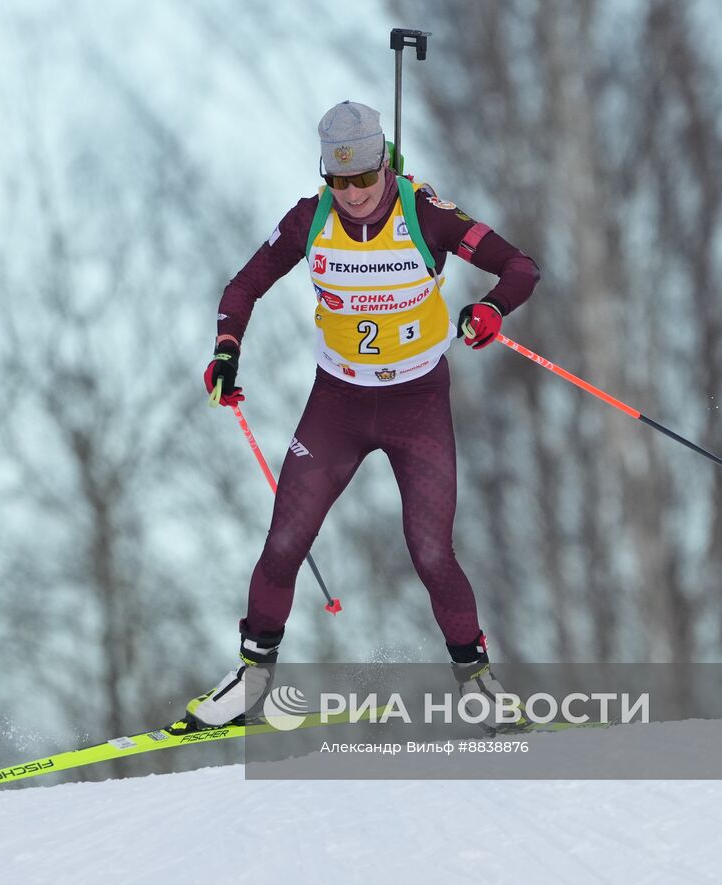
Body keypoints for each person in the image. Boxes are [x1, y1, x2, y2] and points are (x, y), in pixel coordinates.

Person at [180, 100, 540, 731]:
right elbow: (242, 289)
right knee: (284, 541)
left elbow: (520, 267)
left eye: (363, 179)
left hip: (417, 404)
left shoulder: (425, 214)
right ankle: (252, 680)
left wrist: (490, 310)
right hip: (337, 405)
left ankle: (480, 684)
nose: (351, 194)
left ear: (384, 164)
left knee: (430, 552)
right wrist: (225, 353)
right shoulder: (308, 220)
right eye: (337, 181)